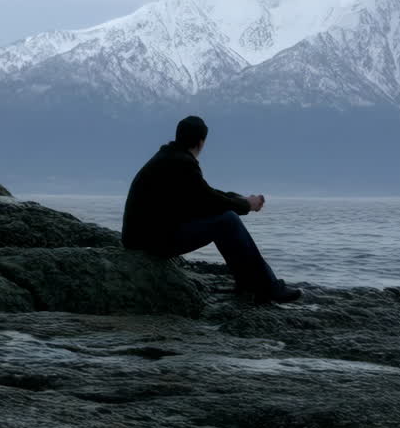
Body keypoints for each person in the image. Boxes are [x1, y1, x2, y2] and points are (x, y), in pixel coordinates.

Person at [122, 115, 301, 304]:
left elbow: (203, 193)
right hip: (148, 242)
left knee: (224, 219)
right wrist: (247, 205)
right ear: (201, 142)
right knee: (227, 221)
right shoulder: (180, 163)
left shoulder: (169, 158)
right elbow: (207, 200)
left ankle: (247, 284)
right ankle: (268, 288)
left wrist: (239, 199)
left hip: (141, 238)